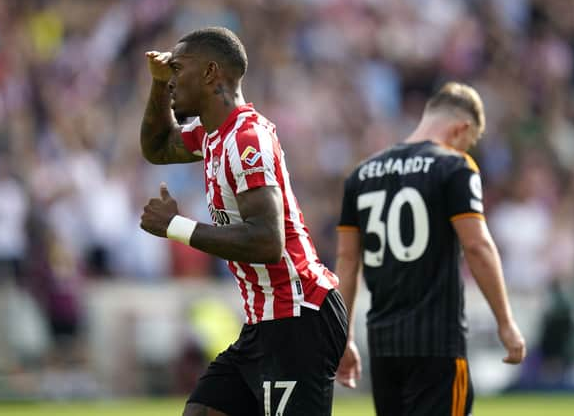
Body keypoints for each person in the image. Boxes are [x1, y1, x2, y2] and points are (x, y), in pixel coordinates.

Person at [138, 26, 347, 416]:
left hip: (298, 316)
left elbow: (269, 242)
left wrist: (176, 227)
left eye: (178, 70)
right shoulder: (212, 135)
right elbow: (157, 147)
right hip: (264, 322)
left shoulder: (246, 139)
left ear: (210, 73)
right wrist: (157, 84)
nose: (172, 80)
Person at [334, 82, 526, 416]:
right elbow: (478, 246)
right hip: (437, 343)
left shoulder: (361, 175)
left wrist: (344, 336)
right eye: (470, 142)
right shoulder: (455, 166)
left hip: (384, 345)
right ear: (461, 128)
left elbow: (347, 261)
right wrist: (506, 323)